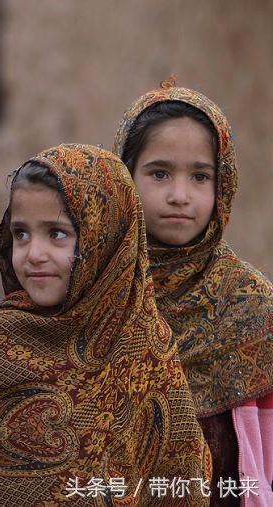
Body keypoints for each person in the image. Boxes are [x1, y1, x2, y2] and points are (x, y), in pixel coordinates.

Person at [0, 143, 211, 506]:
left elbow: (181, 483)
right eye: (21, 234)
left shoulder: (146, 349)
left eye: (57, 233)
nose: (34, 254)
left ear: (108, 237)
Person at [114, 77, 273, 506]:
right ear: (123, 177)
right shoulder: (96, 296)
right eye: (159, 173)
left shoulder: (252, 308)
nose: (180, 195)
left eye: (200, 176)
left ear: (223, 184)